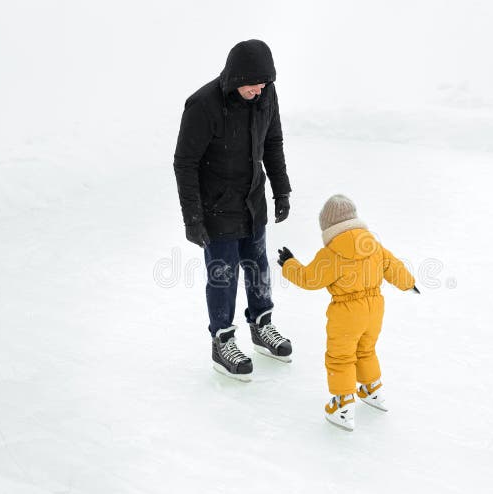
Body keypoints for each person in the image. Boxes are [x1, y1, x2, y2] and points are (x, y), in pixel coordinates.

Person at [173, 39, 293, 382]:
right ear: (237, 77)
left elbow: (273, 143)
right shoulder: (203, 105)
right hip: (217, 207)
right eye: (254, 84)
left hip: (251, 201)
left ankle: (261, 326)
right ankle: (222, 340)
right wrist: (193, 218)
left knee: (258, 267)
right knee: (223, 277)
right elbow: (185, 163)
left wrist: (281, 189)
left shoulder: (265, 95)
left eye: (265, 84)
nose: (260, 90)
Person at [278, 195, 418, 431]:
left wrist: (289, 264)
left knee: (340, 357)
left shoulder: (332, 253)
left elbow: (309, 279)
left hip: (346, 312)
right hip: (375, 309)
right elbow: (394, 267)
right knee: (366, 350)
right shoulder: (373, 244)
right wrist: (409, 283)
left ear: (328, 227)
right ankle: (372, 390)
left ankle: (342, 406)